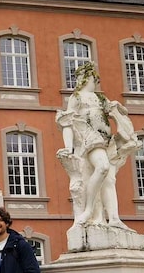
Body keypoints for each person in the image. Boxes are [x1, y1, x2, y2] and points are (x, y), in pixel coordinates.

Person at [55, 62, 139, 228]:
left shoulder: (100, 98)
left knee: (109, 180)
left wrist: (118, 107)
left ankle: (114, 218)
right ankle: (88, 209)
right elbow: (67, 122)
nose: (95, 82)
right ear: (88, 78)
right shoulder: (77, 97)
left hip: (107, 140)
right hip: (90, 138)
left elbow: (121, 112)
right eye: (94, 79)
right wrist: (69, 147)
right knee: (102, 167)